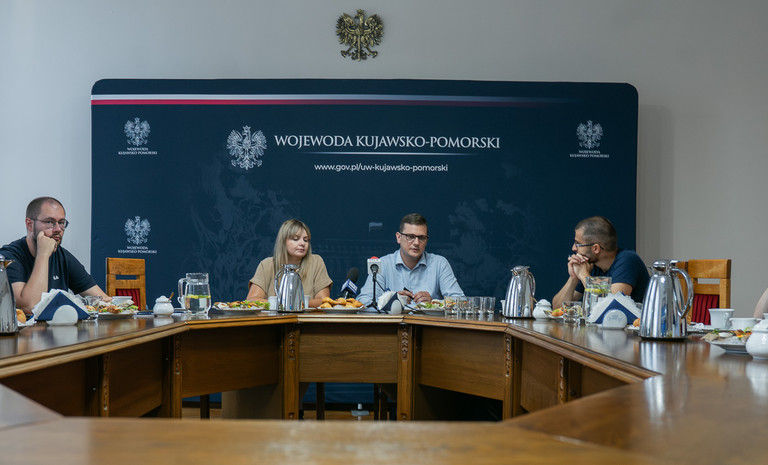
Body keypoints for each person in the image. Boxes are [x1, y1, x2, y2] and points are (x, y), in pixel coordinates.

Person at [0, 196, 110, 312]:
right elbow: (30, 307)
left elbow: (104, 301)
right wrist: (43, 254)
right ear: (29, 224)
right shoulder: (9, 256)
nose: (58, 229)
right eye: (50, 222)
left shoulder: (63, 256)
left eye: (61, 222)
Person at [357, 213, 464, 307]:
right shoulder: (384, 264)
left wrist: (434, 303)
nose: (416, 242)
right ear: (398, 237)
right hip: (394, 323)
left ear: (426, 240)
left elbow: (461, 301)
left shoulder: (439, 263)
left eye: (421, 237)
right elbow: (363, 301)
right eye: (410, 236)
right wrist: (390, 301)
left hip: (427, 323)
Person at [552, 216, 649, 310]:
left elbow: (612, 306)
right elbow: (557, 308)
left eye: (578, 244)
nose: (573, 248)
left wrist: (583, 276)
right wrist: (574, 278)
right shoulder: (590, 265)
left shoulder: (628, 259)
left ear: (595, 248)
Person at [246, 219, 332, 308]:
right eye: (295, 239)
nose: (302, 243)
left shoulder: (316, 262)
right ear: (283, 242)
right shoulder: (266, 264)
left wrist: (295, 305)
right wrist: (283, 304)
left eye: (306, 240)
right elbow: (251, 300)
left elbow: (323, 301)